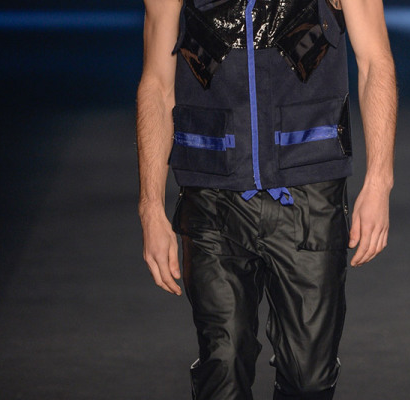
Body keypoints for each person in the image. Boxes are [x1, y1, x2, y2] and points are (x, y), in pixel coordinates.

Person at [136, 0, 396, 397]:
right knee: (222, 365)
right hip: (211, 193)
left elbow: (376, 60)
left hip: (309, 191)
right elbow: (157, 83)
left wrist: (379, 181)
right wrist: (150, 206)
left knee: (309, 378)